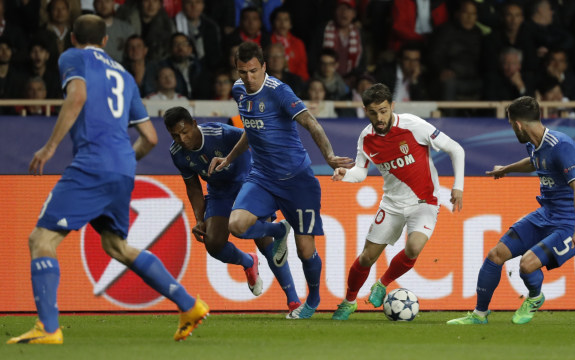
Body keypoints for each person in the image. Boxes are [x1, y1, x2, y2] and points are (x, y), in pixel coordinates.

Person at [6, 15, 209, 345]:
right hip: (122, 171)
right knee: (116, 246)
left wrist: (50, 147)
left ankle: (48, 328)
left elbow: (77, 97)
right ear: (104, 41)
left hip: (91, 166)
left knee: (41, 240)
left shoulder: (73, 57)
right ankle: (189, 304)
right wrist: (124, 163)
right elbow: (150, 138)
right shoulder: (125, 75)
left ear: (73, 38)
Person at [207, 41, 353, 319]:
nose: (247, 78)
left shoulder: (280, 92)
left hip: (297, 180)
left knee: (306, 251)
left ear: (264, 67)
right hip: (262, 177)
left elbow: (311, 123)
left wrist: (330, 155)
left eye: (252, 71)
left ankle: (312, 299)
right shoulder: (239, 91)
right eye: (241, 72)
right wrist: (229, 158)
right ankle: (277, 231)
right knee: (236, 225)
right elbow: (251, 130)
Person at [447, 96, 575, 325]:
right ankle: (479, 314)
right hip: (546, 214)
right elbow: (533, 162)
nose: (511, 129)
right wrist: (506, 169)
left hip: (570, 221)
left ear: (517, 124)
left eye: (510, 124)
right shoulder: (535, 144)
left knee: (527, 265)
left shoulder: (562, 146)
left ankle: (535, 297)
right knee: (496, 255)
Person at [329, 83, 465, 320]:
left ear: (392, 106)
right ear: (365, 111)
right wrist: (345, 175)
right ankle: (349, 301)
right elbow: (360, 173)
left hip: (424, 201)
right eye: (373, 112)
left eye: (383, 110)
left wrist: (458, 186)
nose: (379, 117)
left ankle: (382, 284)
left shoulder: (414, 125)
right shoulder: (366, 138)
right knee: (366, 257)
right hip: (391, 204)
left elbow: (456, 149)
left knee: (413, 247)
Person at [164, 106, 301, 312]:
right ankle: (249, 261)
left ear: (194, 123)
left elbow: (253, 136)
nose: (182, 139)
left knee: (264, 243)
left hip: (249, 184)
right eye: (175, 135)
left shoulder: (222, 133)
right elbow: (193, 187)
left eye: (185, 132)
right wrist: (199, 219)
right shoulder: (177, 153)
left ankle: (293, 300)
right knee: (213, 244)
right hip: (220, 193)